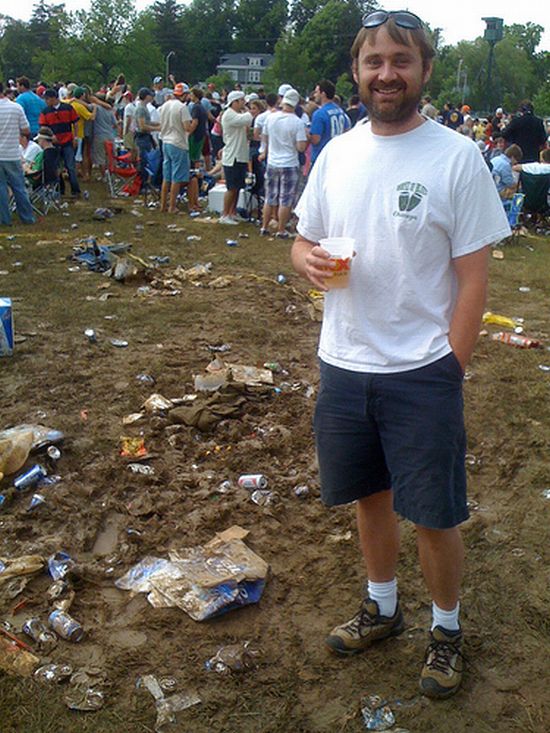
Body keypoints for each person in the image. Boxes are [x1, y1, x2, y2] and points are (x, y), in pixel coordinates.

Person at [291, 8, 510, 700]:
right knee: (370, 497)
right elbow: (303, 239)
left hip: (422, 370)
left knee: (435, 513)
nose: (386, 74)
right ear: (356, 72)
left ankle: (446, 629)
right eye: (374, 61)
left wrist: (451, 365)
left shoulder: (457, 157)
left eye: (401, 60)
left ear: (424, 70)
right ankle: (382, 606)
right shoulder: (337, 153)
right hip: (343, 362)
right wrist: (306, 260)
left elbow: (474, 278)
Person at [260, 88, 307, 238]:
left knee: (270, 197)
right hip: (289, 163)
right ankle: (281, 230)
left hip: (272, 162)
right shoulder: (298, 122)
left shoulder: (270, 118)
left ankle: (264, 226)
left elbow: (264, 138)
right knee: (285, 199)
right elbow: (301, 147)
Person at [158, 82, 199, 214]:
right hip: (178, 143)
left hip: (165, 142)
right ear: (184, 94)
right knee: (176, 177)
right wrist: (194, 124)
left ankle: (163, 205)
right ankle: (172, 206)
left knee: (166, 177)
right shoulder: (182, 107)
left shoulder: (165, 105)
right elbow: (187, 128)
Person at [0, 81, 35, 226]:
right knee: (19, 187)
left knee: (1, 188)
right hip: (12, 153)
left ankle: (4, 219)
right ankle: (27, 217)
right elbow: (26, 129)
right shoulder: (16, 107)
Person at [38, 88, 80, 196]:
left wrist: (75, 137)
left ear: (53, 98)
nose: (46, 101)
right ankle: (60, 190)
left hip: (67, 141)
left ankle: (75, 190)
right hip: (54, 143)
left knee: (70, 166)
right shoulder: (45, 111)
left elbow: (75, 123)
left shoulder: (68, 108)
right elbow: (43, 127)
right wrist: (51, 136)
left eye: (47, 99)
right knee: (56, 167)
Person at [219, 90, 252, 225]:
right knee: (231, 188)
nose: (244, 103)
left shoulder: (236, 114)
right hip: (232, 156)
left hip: (239, 155)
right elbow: (247, 118)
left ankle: (232, 212)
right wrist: (250, 110)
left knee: (237, 187)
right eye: (242, 100)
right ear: (235, 102)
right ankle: (225, 214)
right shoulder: (229, 115)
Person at [308, 79, 351, 166]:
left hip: (321, 158)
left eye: (316, 92)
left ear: (323, 94)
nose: (315, 95)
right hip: (338, 156)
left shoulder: (319, 114)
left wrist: (306, 133)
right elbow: (347, 131)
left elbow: (316, 140)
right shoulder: (340, 111)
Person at [134, 87, 160, 189]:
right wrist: (157, 128)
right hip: (142, 138)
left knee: (146, 162)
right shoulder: (141, 109)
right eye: (150, 95)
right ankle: (143, 185)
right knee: (144, 162)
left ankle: (145, 183)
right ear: (146, 96)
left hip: (145, 138)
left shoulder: (144, 107)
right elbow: (142, 126)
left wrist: (158, 124)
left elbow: (147, 122)